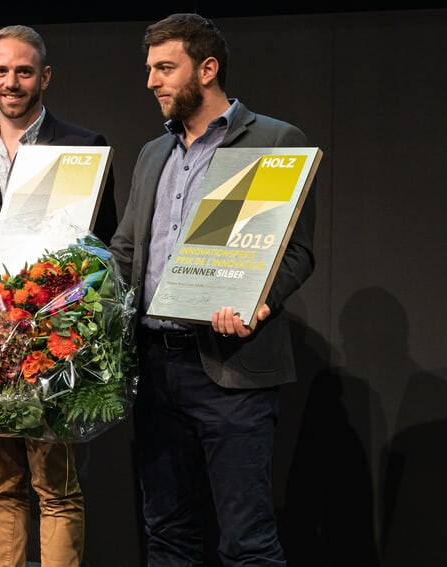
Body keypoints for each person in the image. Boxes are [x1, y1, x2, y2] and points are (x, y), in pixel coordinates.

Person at [110, 13, 315, 566]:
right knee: (168, 532)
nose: (152, 81)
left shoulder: (273, 139)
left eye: (165, 68)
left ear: (207, 68)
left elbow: (296, 252)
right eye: (150, 68)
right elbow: (127, 251)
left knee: (245, 541)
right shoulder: (156, 152)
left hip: (230, 367)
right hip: (155, 366)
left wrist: (258, 303)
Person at [0, 24, 117, 566]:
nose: (11, 82)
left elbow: (103, 248)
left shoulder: (83, 147)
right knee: (0, 488)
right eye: (2, 71)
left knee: (56, 489)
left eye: (23, 71)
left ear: (44, 76)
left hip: (49, 336)